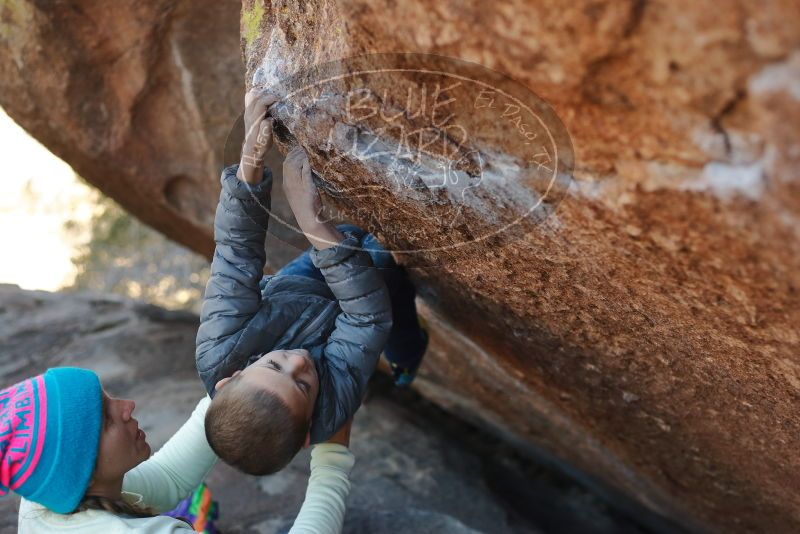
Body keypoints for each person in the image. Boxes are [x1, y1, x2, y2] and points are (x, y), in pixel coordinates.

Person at [196, 88, 428, 477]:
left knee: (352, 236)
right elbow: (366, 321)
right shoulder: (334, 404)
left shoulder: (220, 348)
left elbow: (236, 255)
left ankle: (351, 248)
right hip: (362, 317)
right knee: (391, 289)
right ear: (309, 434)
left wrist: (250, 160)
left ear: (229, 378)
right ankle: (406, 359)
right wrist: (311, 222)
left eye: (274, 365)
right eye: (302, 385)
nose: (300, 361)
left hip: (301, 291)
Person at [7, 367, 355, 532]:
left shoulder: (47, 494)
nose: (127, 405)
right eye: (107, 421)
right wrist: (333, 455)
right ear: (81, 468)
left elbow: (168, 478)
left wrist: (232, 395)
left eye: (108, 397)